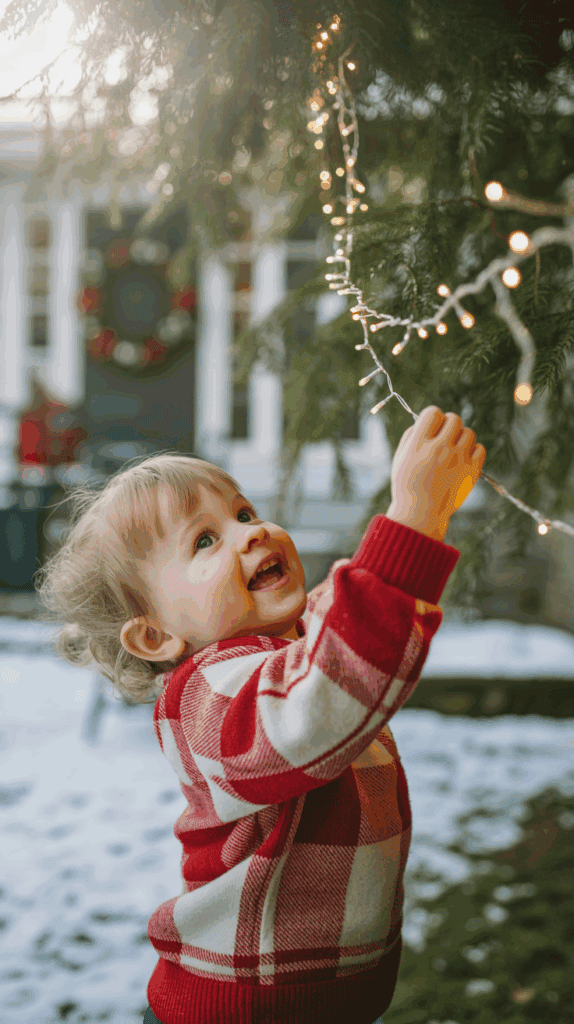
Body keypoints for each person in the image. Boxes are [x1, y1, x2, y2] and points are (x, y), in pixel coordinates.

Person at [36, 405, 485, 1024]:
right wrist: (413, 516)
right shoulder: (207, 696)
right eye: (205, 540)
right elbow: (320, 700)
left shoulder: (293, 652)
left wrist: (420, 515)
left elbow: (346, 631)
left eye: (243, 512)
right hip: (241, 1004)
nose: (252, 532)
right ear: (157, 636)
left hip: (326, 996)